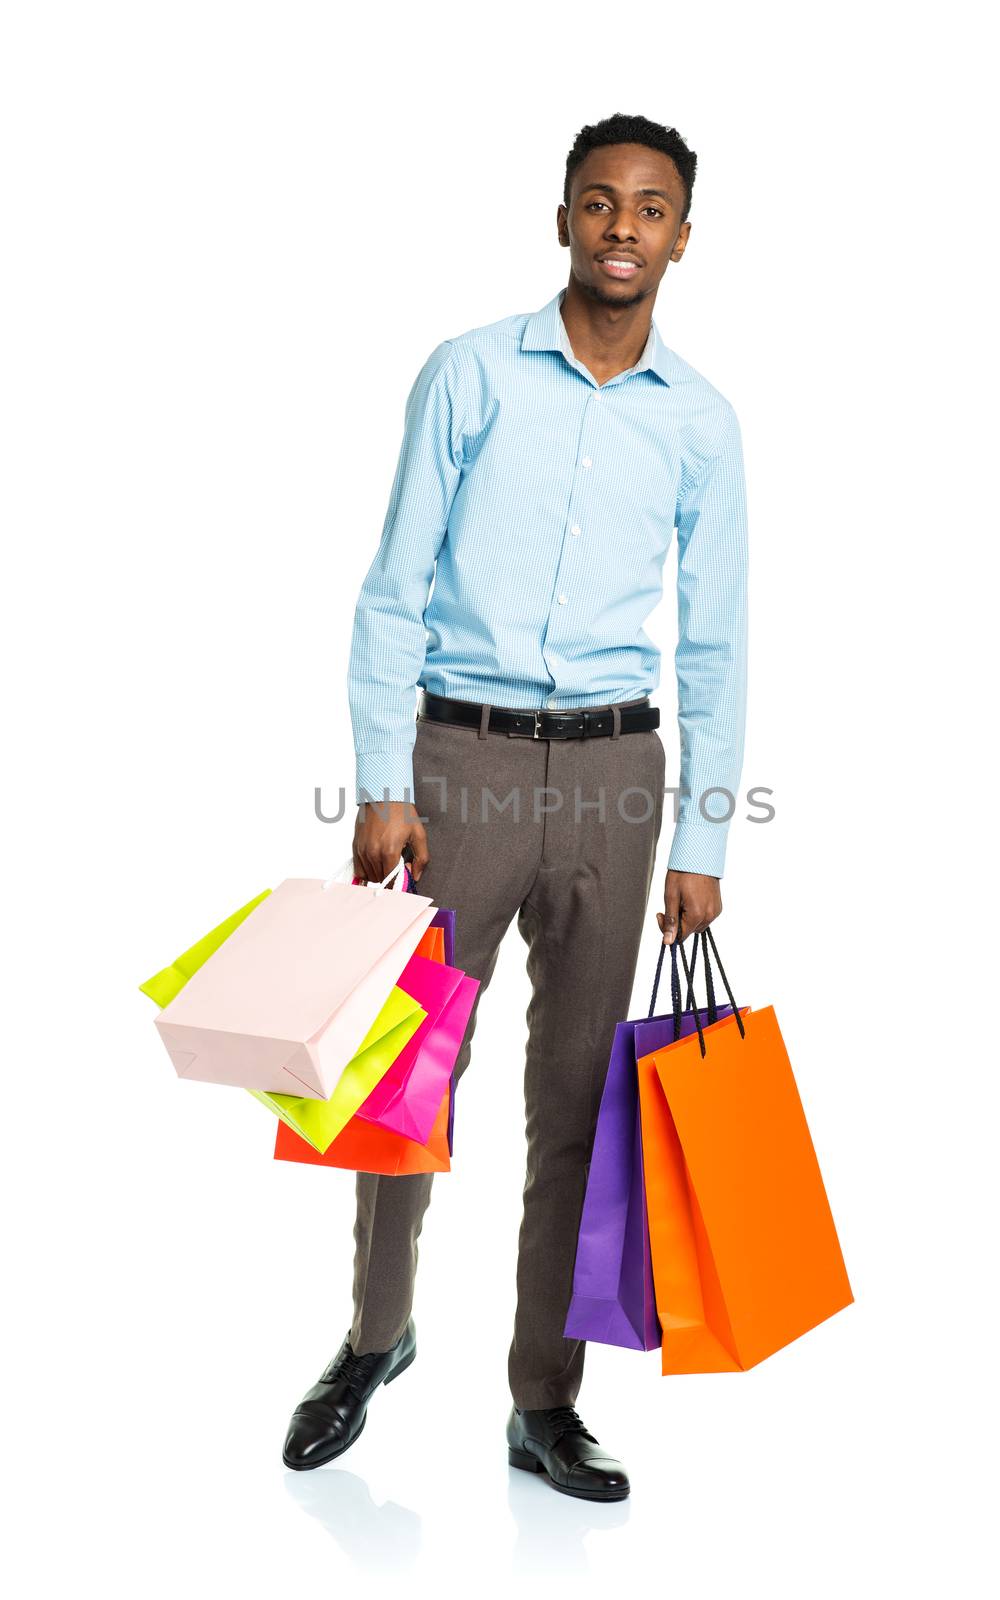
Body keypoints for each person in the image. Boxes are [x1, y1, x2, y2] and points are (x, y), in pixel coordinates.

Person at [282, 112, 749, 1501]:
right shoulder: (470, 374)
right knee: (401, 1074)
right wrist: (380, 781)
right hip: (458, 763)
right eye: (597, 202)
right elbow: (391, 586)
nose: (621, 226)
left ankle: (543, 1402)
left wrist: (705, 840)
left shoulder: (701, 423)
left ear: (680, 235)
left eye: (649, 207)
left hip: (616, 778)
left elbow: (716, 640)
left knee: (580, 1100)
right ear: (561, 219)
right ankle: (375, 1336)